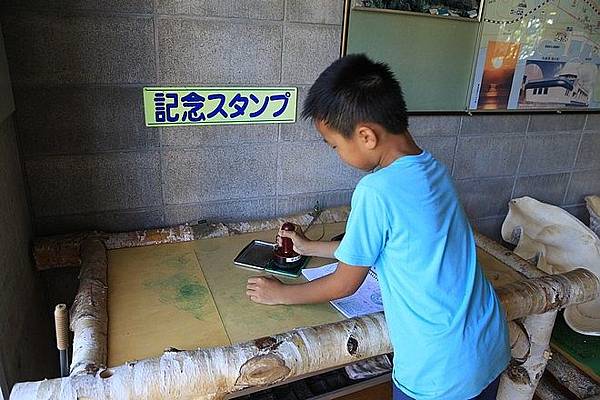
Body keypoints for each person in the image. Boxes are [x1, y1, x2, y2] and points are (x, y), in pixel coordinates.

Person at [246, 54, 510, 400]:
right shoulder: (432, 169)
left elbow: (345, 283)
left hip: (437, 370)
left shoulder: (376, 190)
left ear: (366, 136)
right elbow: (376, 247)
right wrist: (308, 247)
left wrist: (280, 294)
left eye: (336, 146)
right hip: (486, 341)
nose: (338, 154)